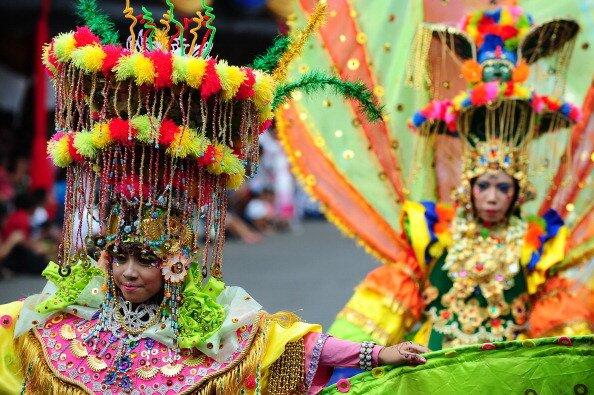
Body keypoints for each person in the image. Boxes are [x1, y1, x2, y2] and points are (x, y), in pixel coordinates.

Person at [0, 1, 427, 393]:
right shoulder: (71, 315)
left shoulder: (211, 322)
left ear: (175, 265)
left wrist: (375, 354)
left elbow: (296, 345)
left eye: (146, 260)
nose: (128, 273)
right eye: (120, 256)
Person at [276, 2, 593, 392]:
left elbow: (560, 323)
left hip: (509, 375)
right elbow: (391, 298)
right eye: (484, 186)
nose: (492, 197)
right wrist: (350, 354)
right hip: (435, 370)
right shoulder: (435, 232)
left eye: (502, 187)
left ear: (517, 192)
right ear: (469, 187)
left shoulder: (537, 242)